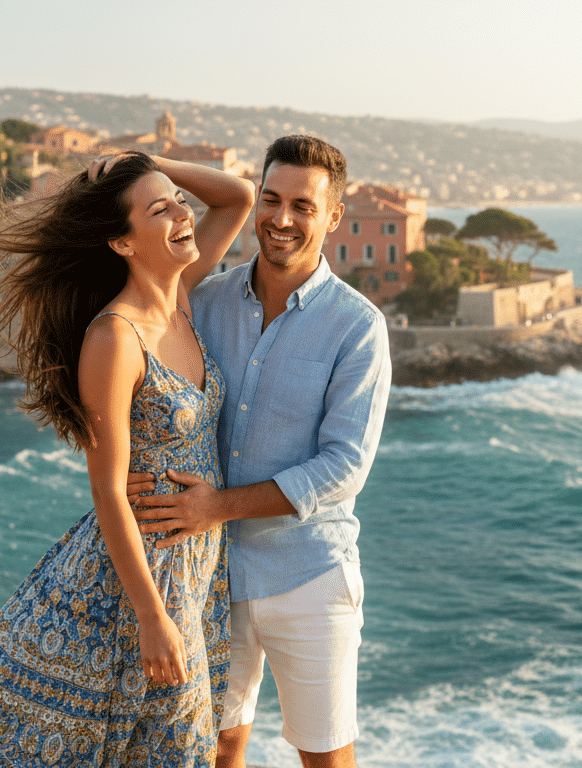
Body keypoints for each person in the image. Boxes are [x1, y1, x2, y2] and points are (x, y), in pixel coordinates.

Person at [0, 152, 255, 767]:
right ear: (122, 243)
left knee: (168, 742)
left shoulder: (181, 298)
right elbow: (107, 489)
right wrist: (149, 615)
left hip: (195, 562)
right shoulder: (114, 337)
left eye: (180, 202)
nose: (183, 213)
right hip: (137, 575)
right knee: (150, 740)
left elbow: (238, 195)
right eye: (160, 210)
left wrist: (147, 162)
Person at [125, 135, 392, 768]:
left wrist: (217, 506)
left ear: (333, 217)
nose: (281, 219)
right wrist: (148, 169)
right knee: (216, 749)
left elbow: (345, 466)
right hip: (210, 573)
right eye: (271, 199)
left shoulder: (358, 326)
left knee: (324, 757)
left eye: (304, 205)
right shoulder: (208, 300)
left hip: (310, 574)